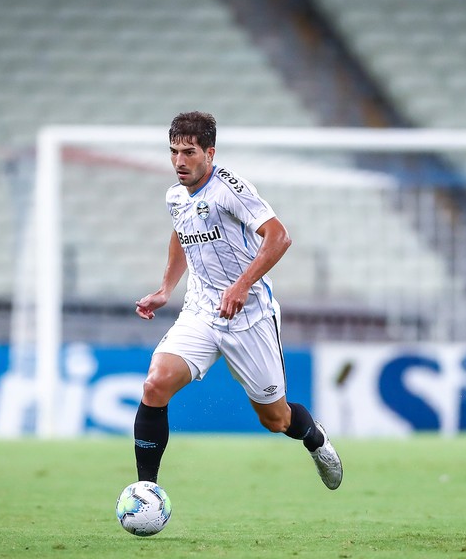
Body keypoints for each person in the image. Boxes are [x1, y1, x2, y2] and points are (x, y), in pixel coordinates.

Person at [132, 111, 342, 490]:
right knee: (155, 384)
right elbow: (181, 234)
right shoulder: (176, 196)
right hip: (200, 310)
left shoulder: (230, 189)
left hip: (249, 316)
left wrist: (242, 285)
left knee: (275, 420)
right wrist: (166, 289)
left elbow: (278, 237)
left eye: (189, 152)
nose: (180, 161)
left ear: (209, 153)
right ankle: (146, 490)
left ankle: (315, 439)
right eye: (173, 151)